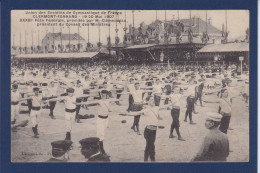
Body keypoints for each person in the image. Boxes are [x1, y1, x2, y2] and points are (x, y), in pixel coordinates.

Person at [125, 97, 172, 162]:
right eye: (151, 100)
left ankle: (147, 159)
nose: (153, 101)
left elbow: (165, 106)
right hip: (148, 131)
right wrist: (127, 114)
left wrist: (173, 103)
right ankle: (151, 159)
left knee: (149, 145)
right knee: (151, 145)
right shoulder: (146, 110)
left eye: (153, 99)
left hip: (154, 131)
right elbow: (136, 113)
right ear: (148, 102)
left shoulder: (156, 108)